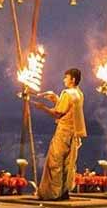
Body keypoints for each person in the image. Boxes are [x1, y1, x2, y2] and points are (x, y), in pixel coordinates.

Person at [33, 68, 86, 200]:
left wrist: (42, 107)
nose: (64, 80)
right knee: (68, 164)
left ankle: (54, 193)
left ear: (73, 79)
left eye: (66, 77)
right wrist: (55, 99)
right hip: (73, 134)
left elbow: (58, 113)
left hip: (63, 133)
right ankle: (64, 191)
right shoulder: (79, 94)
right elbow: (68, 109)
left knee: (55, 162)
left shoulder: (67, 93)